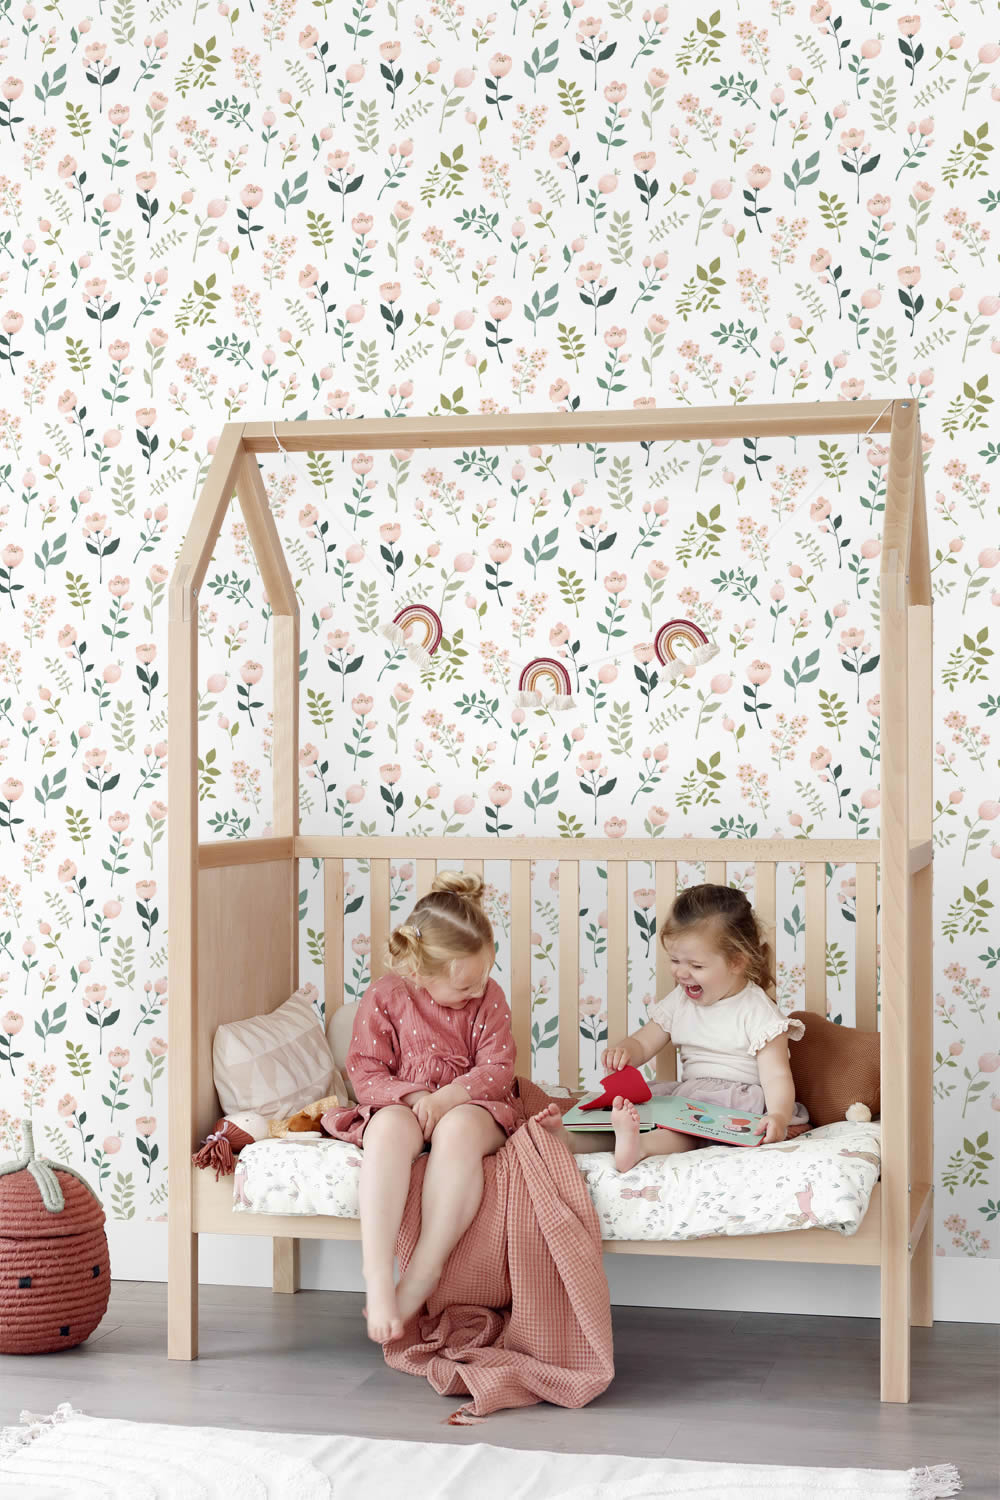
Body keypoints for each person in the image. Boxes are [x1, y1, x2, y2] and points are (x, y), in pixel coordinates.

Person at [321, 872, 517, 1343]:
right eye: (465, 986)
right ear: (418, 974)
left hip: (472, 1106)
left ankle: (425, 1271)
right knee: (388, 1130)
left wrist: (450, 1097)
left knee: (458, 1130)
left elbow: (498, 1068)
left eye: (484, 977)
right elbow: (366, 1072)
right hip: (403, 1104)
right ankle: (376, 1274)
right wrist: (413, 1097)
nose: (478, 991)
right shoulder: (386, 996)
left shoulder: (488, 997)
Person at [534, 882, 809, 1172]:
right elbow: (644, 1042)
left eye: (696, 966)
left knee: (685, 1131)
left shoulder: (758, 1012)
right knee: (641, 1115)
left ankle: (641, 1147)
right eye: (675, 960)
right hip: (689, 1097)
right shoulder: (680, 1001)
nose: (681, 972)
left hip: (735, 1102)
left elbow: (777, 1075)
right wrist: (625, 1051)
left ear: (737, 962)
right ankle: (572, 1140)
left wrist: (778, 1116)